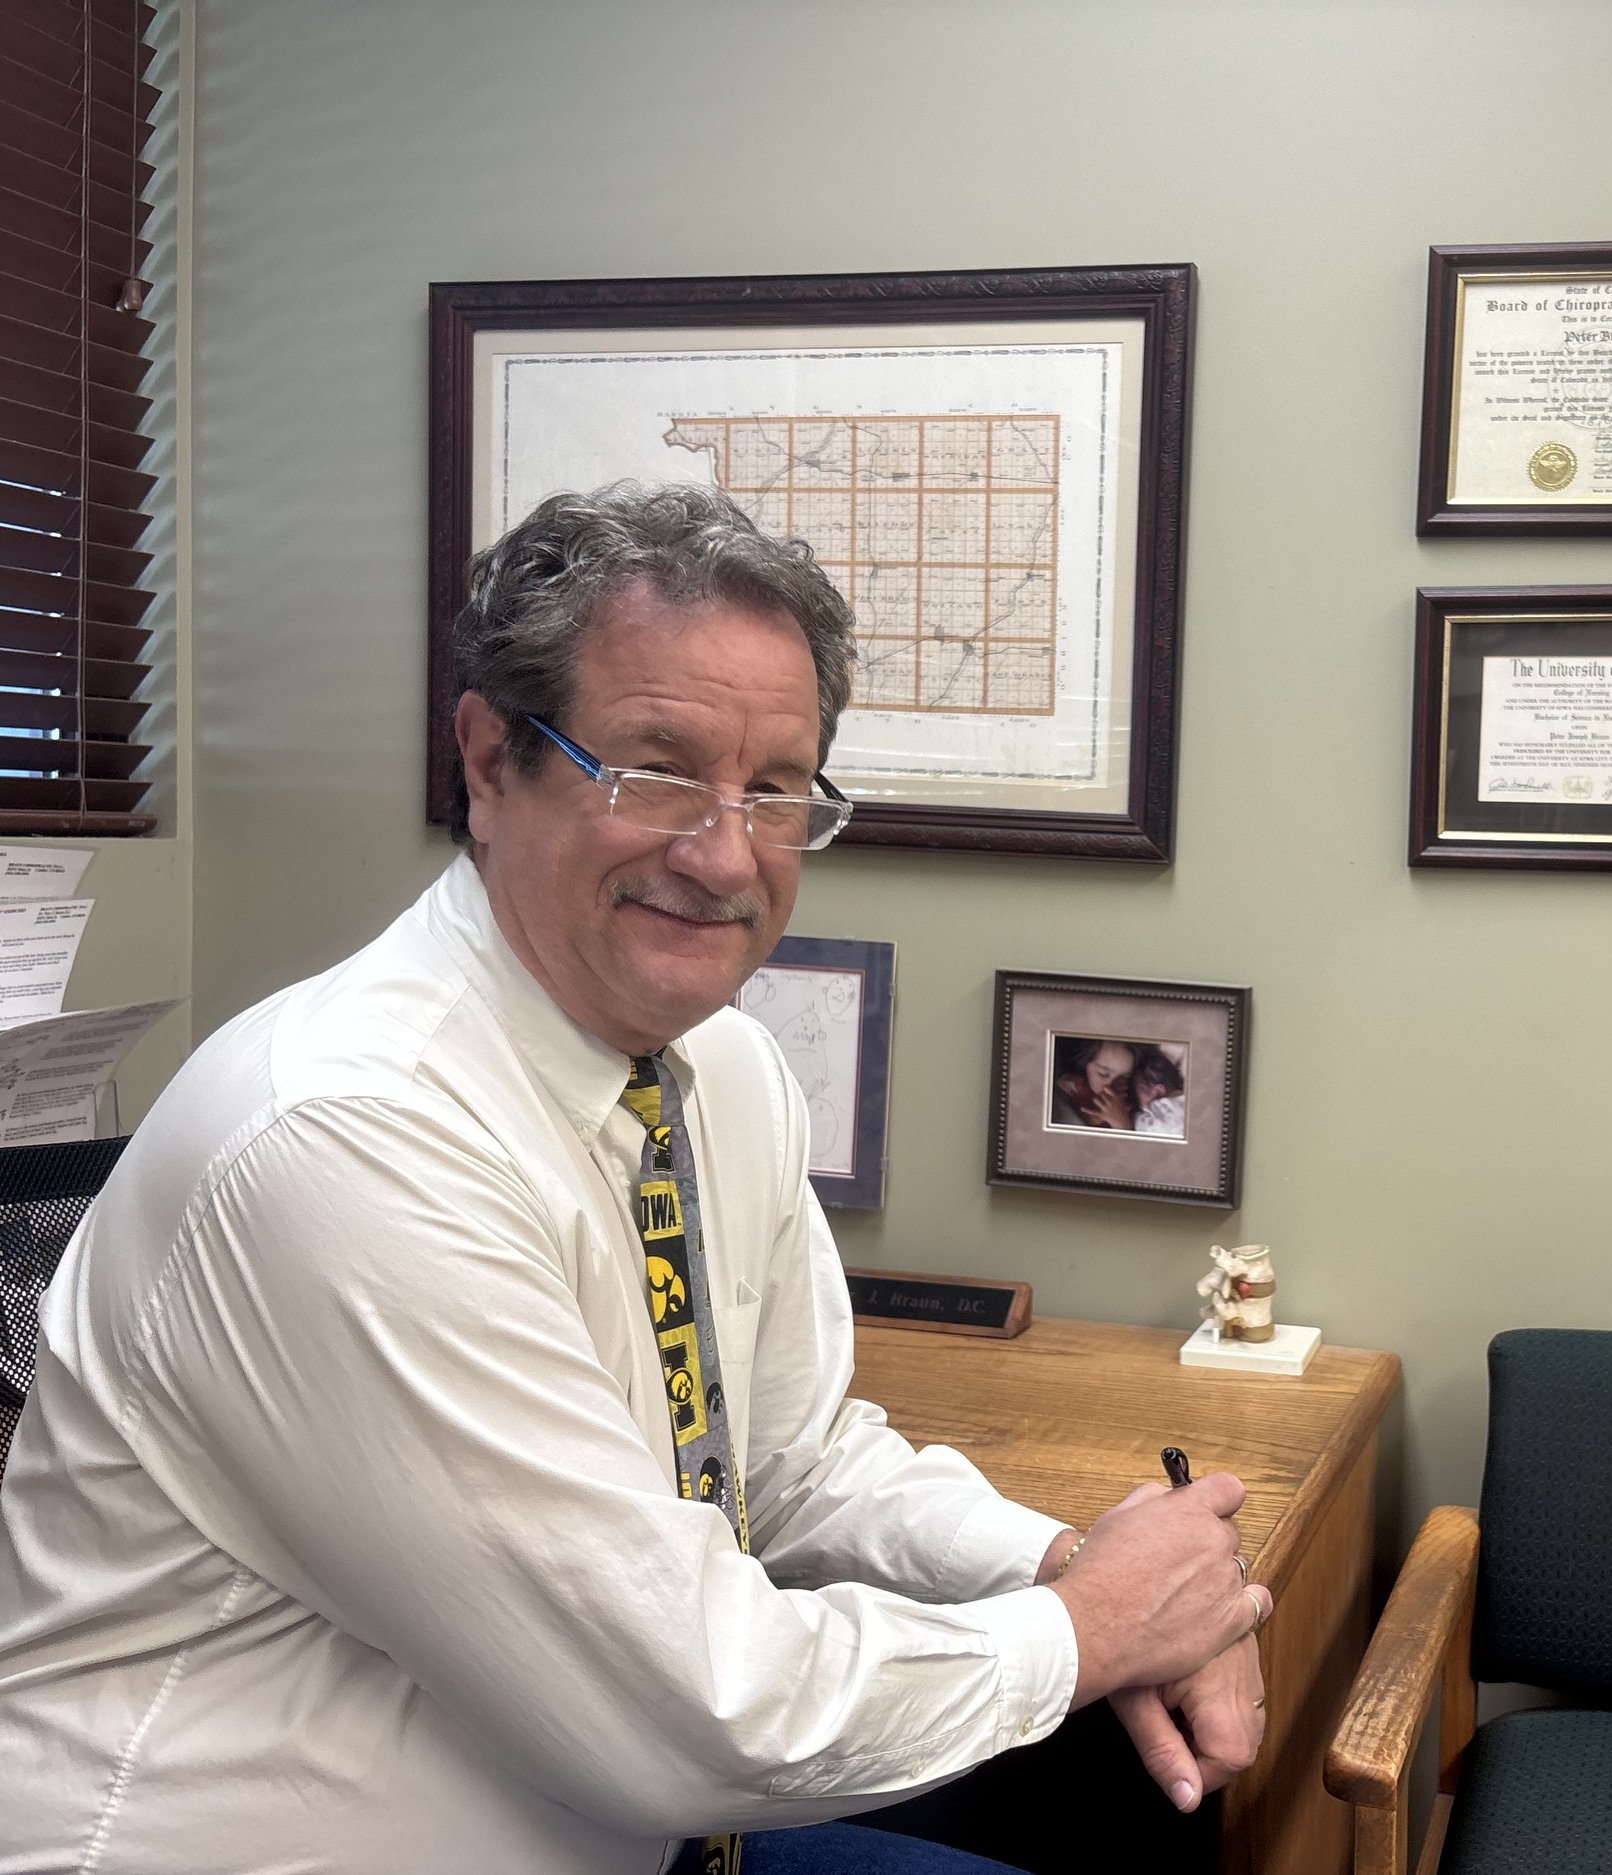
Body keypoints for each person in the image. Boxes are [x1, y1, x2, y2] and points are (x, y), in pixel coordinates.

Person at [0, 484, 1267, 1875]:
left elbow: (779, 1461)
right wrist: (1087, 1637)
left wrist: (1067, 1566)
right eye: (655, 768)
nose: (722, 854)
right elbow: (692, 1711)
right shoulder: (347, 1136)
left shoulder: (719, 1070)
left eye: (775, 791)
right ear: (488, 759)